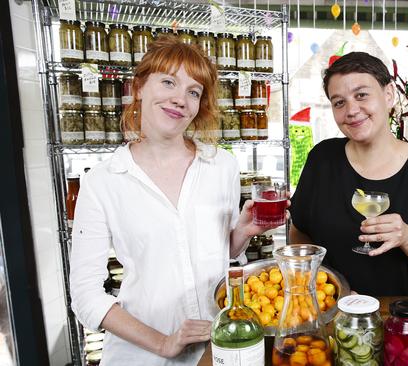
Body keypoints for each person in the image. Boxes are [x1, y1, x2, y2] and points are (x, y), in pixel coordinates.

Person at [70, 36, 283, 365]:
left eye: (193, 91)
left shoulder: (220, 166)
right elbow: (85, 296)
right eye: (168, 82)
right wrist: (163, 343)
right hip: (142, 355)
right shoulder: (104, 181)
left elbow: (215, 255)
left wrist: (243, 232)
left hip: (218, 346)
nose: (180, 99)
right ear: (139, 87)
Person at [289, 52, 408, 296]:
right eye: (339, 102)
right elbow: (299, 232)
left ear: (389, 94)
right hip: (329, 314)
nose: (351, 110)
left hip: (398, 320)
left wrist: (407, 236)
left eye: (361, 95)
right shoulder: (322, 159)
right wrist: (324, 287)